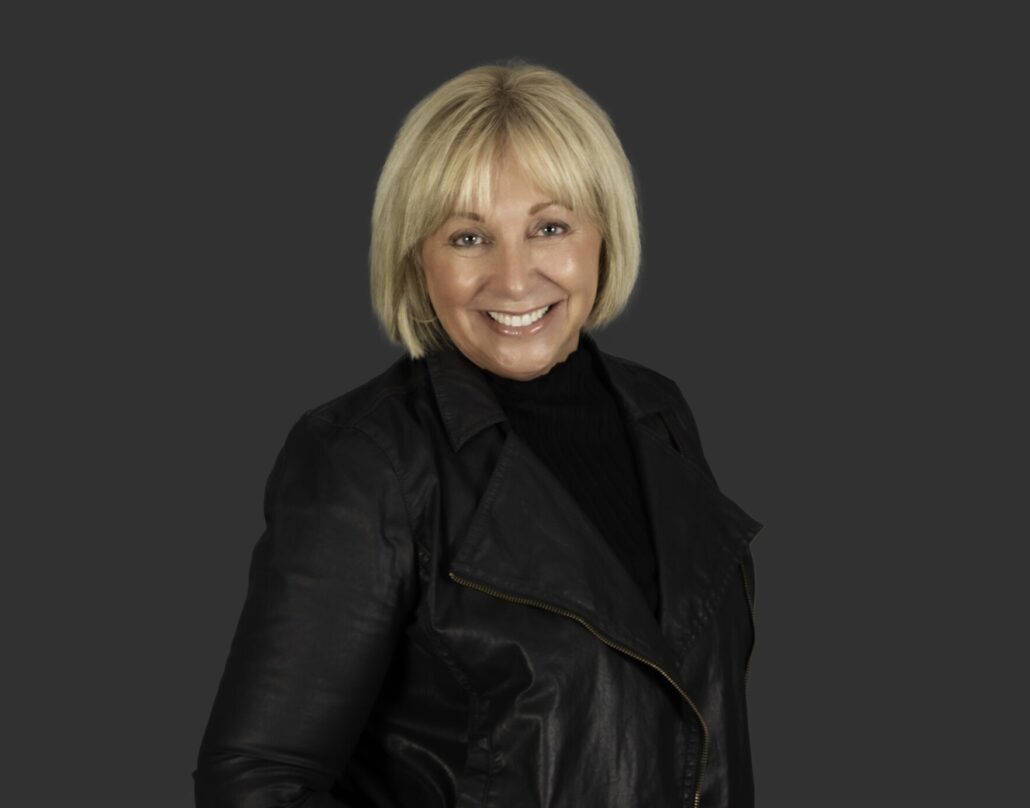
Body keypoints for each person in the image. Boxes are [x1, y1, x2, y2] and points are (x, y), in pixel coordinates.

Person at [193, 60, 763, 808]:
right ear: (417, 258)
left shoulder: (660, 414)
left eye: (550, 228)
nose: (515, 279)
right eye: (468, 238)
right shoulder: (366, 462)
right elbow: (257, 781)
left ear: (604, 235)